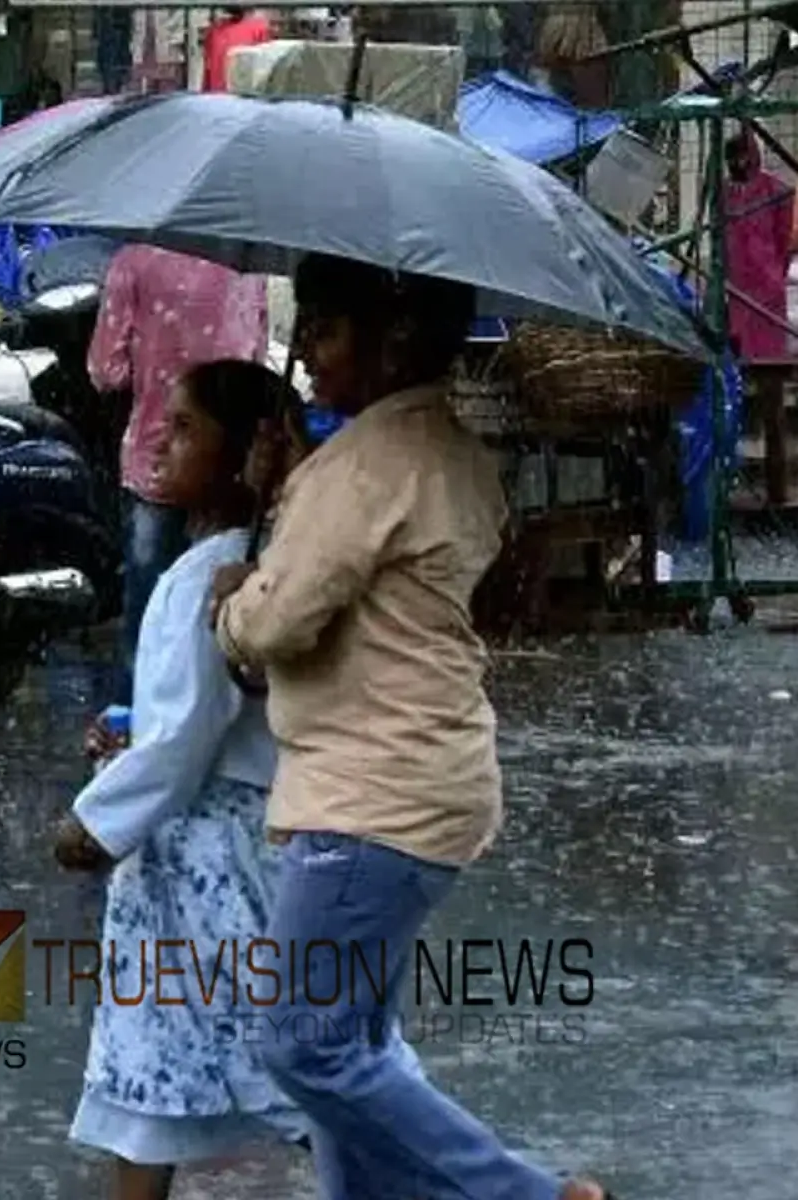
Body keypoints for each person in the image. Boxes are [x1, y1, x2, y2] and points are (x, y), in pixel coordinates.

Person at [211, 254, 610, 1200]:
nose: (303, 348)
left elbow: (273, 625)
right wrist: (297, 484)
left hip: (369, 798)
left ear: (390, 340)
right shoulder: (439, 448)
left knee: (305, 1048)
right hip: (425, 780)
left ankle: (527, 1196)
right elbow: (373, 562)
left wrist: (232, 597)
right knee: (355, 1050)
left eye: (324, 327)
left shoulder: (362, 468)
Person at [51, 361, 311, 1200]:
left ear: (248, 455)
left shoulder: (215, 578)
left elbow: (185, 739)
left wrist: (93, 822)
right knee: (153, 1065)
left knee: (290, 1064)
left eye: (188, 426)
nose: (161, 438)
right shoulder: (229, 564)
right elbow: (186, 719)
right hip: (197, 859)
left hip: (215, 861)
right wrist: (128, 736)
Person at [87, 243, 268, 699]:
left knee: (149, 622)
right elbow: (257, 358)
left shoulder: (135, 261)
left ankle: (132, 722)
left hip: (155, 464)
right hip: (233, 470)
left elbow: (106, 371)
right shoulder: (246, 266)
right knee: (221, 616)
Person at [724, 130, 794, 362]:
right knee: (739, 349)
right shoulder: (724, 192)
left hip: (766, 279)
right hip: (736, 282)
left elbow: (784, 240)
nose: (735, 164)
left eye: (740, 158)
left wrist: (772, 270)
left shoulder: (777, 191)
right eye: (731, 160)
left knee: (767, 353)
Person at [201, 6, 270, 92]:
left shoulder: (259, 27)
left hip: (246, 95)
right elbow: (208, 68)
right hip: (218, 96)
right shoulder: (215, 29)